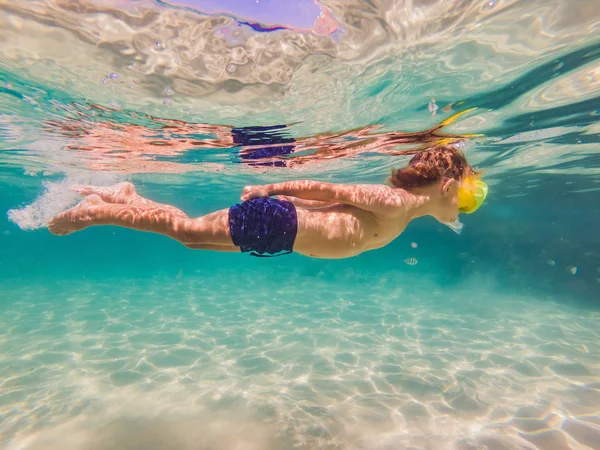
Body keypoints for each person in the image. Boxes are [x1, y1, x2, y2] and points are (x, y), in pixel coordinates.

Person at [47, 146, 488, 259]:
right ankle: (94, 214)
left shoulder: (403, 210)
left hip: (283, 232)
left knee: (190, 237)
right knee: (185, 232)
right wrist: (267, 191)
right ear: (447, 187)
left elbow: (332, 207)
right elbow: (332, 191)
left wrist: (285, 196)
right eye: (469, 196)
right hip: (277, 220)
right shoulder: (395, 201)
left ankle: (128, 197)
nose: (465, 208)